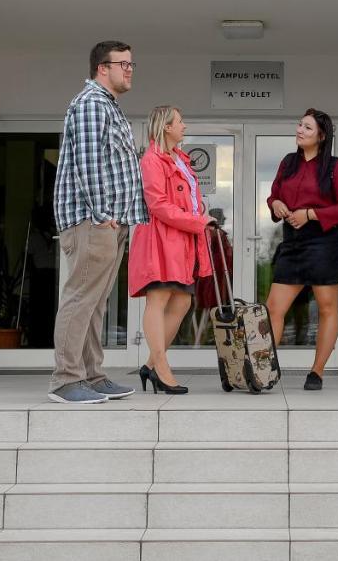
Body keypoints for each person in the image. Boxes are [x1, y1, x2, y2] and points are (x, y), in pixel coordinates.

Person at [49, 41, 148, 404]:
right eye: (123, 64)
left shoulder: (109, 107)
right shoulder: (91, 104)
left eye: (131, 63)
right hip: (94, 221)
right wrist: (104, 213)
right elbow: (89, 166)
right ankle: (65, 380)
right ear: (102, 68)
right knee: (80, 299)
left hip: (110, 222)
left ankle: (91, 375)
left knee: (95, 303)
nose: (130, 69)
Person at [266, 109, 338, 390]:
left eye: (307, 127)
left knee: (327, 308)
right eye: (299, 125)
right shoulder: (288, 163)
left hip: (325, 243)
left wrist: (310, 214)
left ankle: (316, 372)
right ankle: (264, 368)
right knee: (273, 308)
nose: (300, 130)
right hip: (292, 242)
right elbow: (274, 194)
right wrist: (275, 204)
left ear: (321, 135)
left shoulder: (335, 167)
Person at [128, 106, 215, 394]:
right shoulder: (152, 160)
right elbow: (158, 205)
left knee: (182, 302)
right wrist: (196, 220)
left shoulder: (181, 159)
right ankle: (162, 370)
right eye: (180, 121)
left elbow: (184, 199)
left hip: (181, 239)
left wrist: (198, 211)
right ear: (166, 126)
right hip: (160, 238)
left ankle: (151, 365)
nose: (184, 126)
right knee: (160, 298)